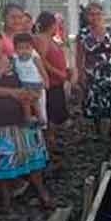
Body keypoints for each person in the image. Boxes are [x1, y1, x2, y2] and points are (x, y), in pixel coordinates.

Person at [0, 26, 53, 210]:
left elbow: (31, 79)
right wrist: (12, 93)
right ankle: (5, 199)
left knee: (32, 156)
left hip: (22, 118)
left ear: (2, 41)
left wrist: (31, 94)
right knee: (2, 161)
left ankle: (41, 192)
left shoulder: (13, 60)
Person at [76, 2, 111, 137]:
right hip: (93, 74)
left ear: (102, 15)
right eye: (91, 14)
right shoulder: (83, 34)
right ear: (87, 16)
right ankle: (97, 129)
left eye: (98, 13)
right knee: (94, 101)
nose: (95, 17)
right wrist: (80, 74)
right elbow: (79, 56)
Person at [34, 11, 70, 168]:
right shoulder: (42, 39)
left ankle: (52, 147)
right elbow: (40, 60)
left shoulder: (51, 39)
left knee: (54, 118)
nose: (58, 26)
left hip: (57, 83)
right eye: (56, 23)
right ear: (51, 24)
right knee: (50, 119)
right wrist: (58, 72)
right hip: (50, 84)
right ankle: (47, 150)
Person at [13, 33, 49, 127]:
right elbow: (9, 67)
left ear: (32, 48)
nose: (24, 51)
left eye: (27, 48)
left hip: (35, 84)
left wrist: (46, 81)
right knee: (30, 102)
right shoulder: (15, 59)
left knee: (29, 102)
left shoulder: (34, 58)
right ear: (15, 49)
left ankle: (34, 119)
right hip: (24, 84)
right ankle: (35, 119)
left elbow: (42, 71)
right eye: (20, 48)